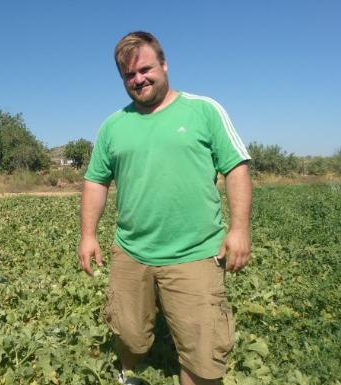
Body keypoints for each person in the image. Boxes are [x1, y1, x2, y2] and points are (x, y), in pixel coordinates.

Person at [78, 31, 252, 385]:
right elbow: (96, 181)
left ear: (164, 64)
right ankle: (127, 373)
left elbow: (236, 167)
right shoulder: (113, 126)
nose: (139, 79)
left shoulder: (204, 110)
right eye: (129, 75)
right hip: (131, 252)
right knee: (128, 333)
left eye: (145, 69)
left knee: (204, 355)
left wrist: (239, 230)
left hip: (195, 252)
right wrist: (87, 235)